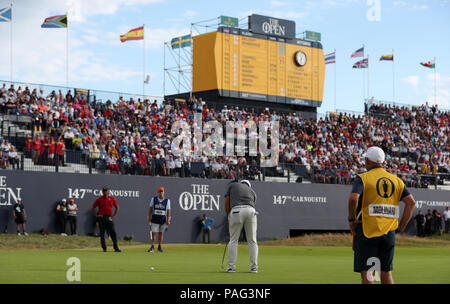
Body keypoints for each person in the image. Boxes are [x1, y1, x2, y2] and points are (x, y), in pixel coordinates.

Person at [348, 146, 415, 284]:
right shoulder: (396, 180)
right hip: (389, 232)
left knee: (368, 274)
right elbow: (411, 203)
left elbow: (354, 198)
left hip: (368, 231)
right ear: (383, 162)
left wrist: (352, 219)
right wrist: (401, 227)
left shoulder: (363, 178)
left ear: (367, 160)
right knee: (386, 272)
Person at [224, 179, 258, 273]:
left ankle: (231, 267)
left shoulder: (233, 185)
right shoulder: (253, 192)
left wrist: (228, 216)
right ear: (248, 185)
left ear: (241, 183)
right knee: (252, 240)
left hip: (236, 211)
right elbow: (252, 205)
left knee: (234, 240)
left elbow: (227, 201)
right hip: (251, 211)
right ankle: (254, 267)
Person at [91, 187, 121, 252]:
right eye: (104, 191)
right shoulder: (99, 199)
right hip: (101, 217)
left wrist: (113, 216)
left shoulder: (111, 198)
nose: (105, 192)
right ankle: (104, 248)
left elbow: (117, 207)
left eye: (106, 191)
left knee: (113, 232)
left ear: (108, 191)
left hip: (109, 217)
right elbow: (93, 207)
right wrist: (96, 215)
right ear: (102, 192)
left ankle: (116, 248)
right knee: (102, 233)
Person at [147, 187, 171, 253]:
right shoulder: (153, 199)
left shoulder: (167, 200)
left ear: (164, 192)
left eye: (162, 191)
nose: (161, 193)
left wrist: (168, 219)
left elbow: (168, 211)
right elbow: (150, 209)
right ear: (158, 192)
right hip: (154, 219)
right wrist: (148, 217)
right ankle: (152, 247)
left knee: (161, 233)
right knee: (153, 233)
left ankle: (159, 247)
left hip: (163, 219)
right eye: (160, 192)